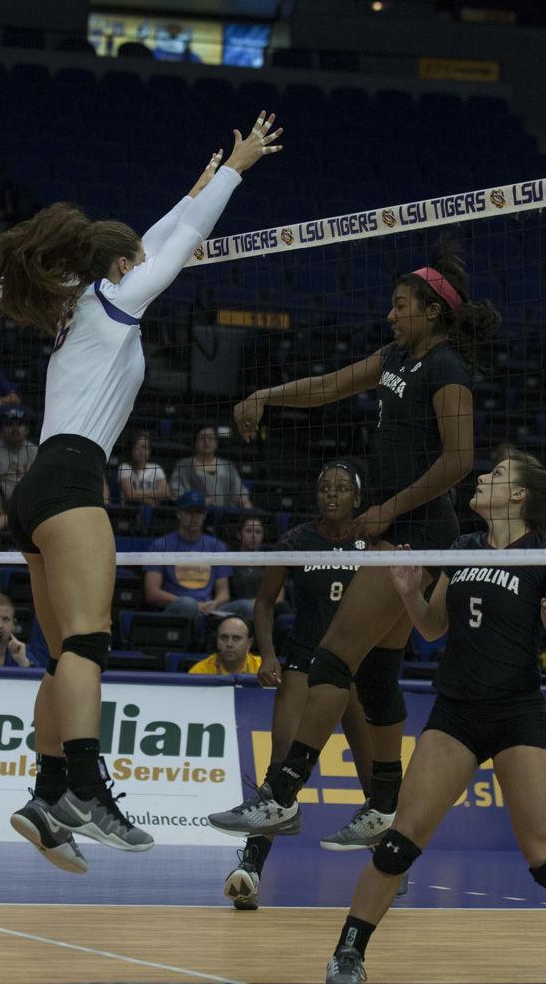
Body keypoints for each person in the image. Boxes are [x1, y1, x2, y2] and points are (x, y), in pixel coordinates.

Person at [0, 111, 282, 872]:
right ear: (120, 265)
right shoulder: (117, 300)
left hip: (37, 488)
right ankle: (88, 788)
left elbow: (164, 228)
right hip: (73, 476)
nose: (143, 260)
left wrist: (197, 187)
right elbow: (175, 242)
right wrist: (237, 170)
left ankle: (47, 796)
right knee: (87, 642)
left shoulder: (88, 304)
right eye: (134, 258)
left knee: (59, 657)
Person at [206, 235, 500, 844]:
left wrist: (385, 509)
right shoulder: (395, 358)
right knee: (375, 675)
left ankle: (282, 796)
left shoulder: (448, 369)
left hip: (417, 531)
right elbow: (328, 385)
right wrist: (265, 395)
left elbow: (461, 461)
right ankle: (387, 808)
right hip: (396, 529)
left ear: (432, 311)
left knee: (332, 658)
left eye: (400, 305)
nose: (391, 315)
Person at [325, 449, 546, 984]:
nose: (484, 478)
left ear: (520, 496)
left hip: (518, 713)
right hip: (455, 713)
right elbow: (433, 628)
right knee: (399, 841)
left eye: (498, 475)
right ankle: (348, 954)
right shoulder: (460, 549)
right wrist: (411, 593)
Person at [214, 463, 403, 908]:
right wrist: (269, 655)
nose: (331, 494)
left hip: (355, 667)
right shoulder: (297, 540)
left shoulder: (371, 544)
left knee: (371, 773)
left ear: (358, 498)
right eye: (324, 488)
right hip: (303, 662)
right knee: (281, 765)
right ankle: (250, 868)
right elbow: (263, 603)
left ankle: (390, 865)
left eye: (341, 488)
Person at [144, 490, 253, 624]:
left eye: (199, 512)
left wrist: (215, 603)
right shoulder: (160, 545)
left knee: (246, 607)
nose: (194, 516)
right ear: (179, 513)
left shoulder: (217, 547)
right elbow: (152, 593)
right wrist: (193, 604)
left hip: (208, 610)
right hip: (179, 608)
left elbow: (224, 592)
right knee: (188, 605)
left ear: (204, 515)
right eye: (189, 511)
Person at [170, 425, 252, 508]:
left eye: (210, 438)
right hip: (194, 512)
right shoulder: (183, 465)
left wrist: (246, 504)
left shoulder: (228, 466)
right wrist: (200, 500)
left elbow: (240, 493)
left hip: (226, 515)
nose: (206, 441)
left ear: (216, 443)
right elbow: (175, 490)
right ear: (194, 442)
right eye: (202, 438)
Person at [227, 514, 286, 617]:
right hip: (235, 608)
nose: (253, 535)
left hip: (264, 608)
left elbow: (279, 598)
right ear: (239, 534)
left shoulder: (270, 563)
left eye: (258, 532)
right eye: (249, 531)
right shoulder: (228, 561)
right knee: (247, 607)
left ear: (263, 536)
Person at [0, 408, 38, 502]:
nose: (15, 429)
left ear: (27, 430)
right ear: (1, 430)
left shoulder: (34, 450)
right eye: (9, 424)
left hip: (28, 501)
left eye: (19, 424)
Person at [189, 614, 261, 675]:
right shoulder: (199, 672)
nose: (229, 644)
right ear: (217, 640)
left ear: (249, 643)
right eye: (224, 638)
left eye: (236, 638)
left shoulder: (263, 668)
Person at [117, 430, 169, 505]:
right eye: (136, 447)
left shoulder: (156, 468)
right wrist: (151, 500)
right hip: (129, 510)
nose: (141, 451)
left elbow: (165, 492)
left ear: (149, 451)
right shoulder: (125, 467)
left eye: (144, 447)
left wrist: (136, 493)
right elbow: (129, 494)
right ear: (131, 450)